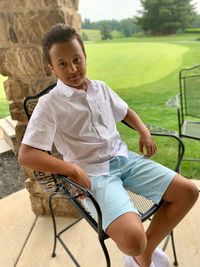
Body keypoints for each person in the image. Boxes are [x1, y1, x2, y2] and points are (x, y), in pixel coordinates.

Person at [18, 23, 199, 267]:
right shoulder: (49, 104)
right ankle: (140, 252)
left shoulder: (100, 88)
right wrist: (71, 169)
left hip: (125, 160)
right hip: (92, 176)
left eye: (76, 59)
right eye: (62, 64)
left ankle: (142, 257)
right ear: (52, 68)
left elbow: (126, 112)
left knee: (188, 192)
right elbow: (27, 155)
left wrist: (143, 131)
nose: (72, 68)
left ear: (85, 57)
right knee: (134, 240)